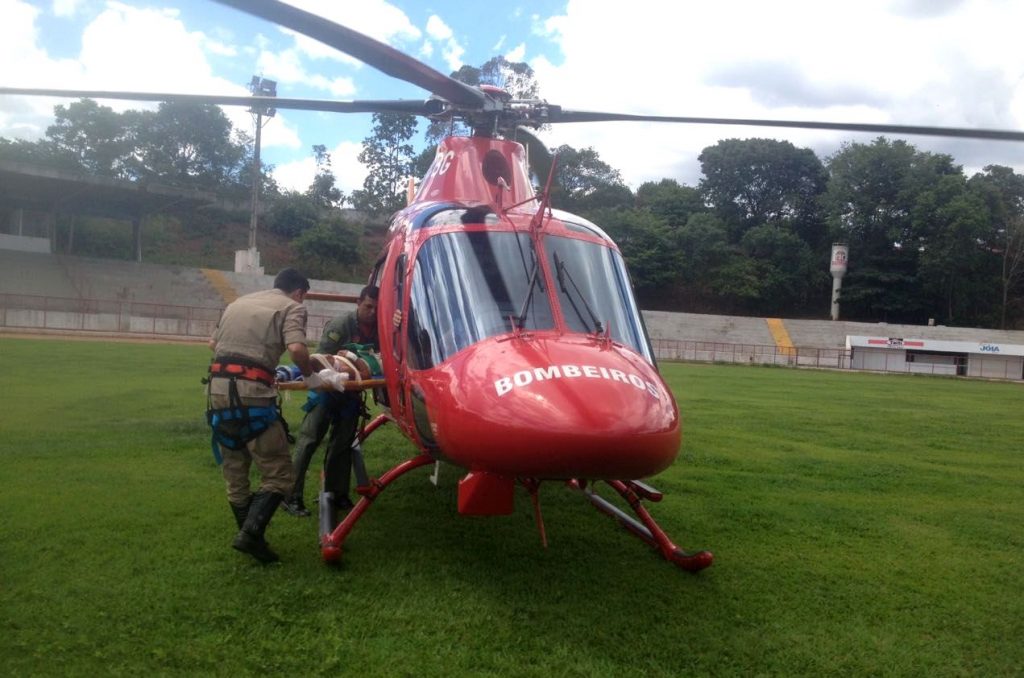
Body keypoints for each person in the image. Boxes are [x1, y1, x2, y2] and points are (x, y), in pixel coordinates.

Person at [206, 268, 326, 564]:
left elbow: (213, 343)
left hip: (216, 391)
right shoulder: (293, 307)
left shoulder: (238, 304)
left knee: (235, 472)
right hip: (252, 393)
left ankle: (253, 540)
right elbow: (297, 348)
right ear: (299, 292)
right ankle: (250, 534)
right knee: (279, 472)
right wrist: (310, 376)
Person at [283, 285, 379, 518]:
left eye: (377, 308)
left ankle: (336, 493)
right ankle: (290, 496)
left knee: (342, 444)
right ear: (358, 303)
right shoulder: (340, 325)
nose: (373, 312)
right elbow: (319, 361)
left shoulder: (379, 327)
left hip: (351, 394)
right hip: (326, 390)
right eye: (368, 306)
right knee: (309, 440)